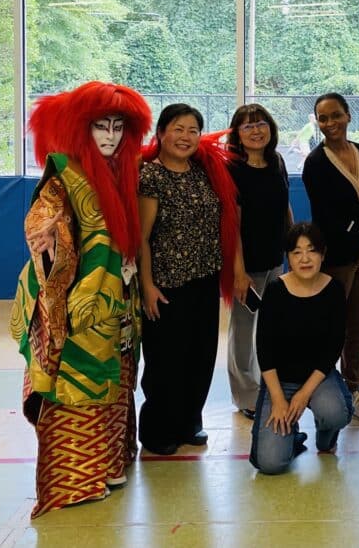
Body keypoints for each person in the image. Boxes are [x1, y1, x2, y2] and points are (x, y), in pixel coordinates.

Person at [9, 81, 152, 517]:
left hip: (117, 303)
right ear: (80, 131)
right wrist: (49, 238)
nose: (110, 137)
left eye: (117, 128)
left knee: (118, 382)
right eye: (100, 128)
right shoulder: (65, 175)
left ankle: (109, 462)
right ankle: (76, 478)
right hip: (79, 306)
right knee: (80, 386)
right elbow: (41, 220)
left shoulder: (121, 173)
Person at [137, 104, 239, 455]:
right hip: (167, 284)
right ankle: (158, 428)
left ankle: (189, 420)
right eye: (178, 129)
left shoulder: (203, 172)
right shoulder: (150, 175)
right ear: (161, 133)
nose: (186, 136)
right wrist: (147, 286)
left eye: (193, 130)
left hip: (204, 279)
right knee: (166, 360)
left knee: (199, 355)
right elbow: (142, 238)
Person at [302, 93, 359, 421]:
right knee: (332, 325)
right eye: (323, 118)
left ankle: (353, 387)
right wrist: (356, 243)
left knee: (358, 323)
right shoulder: (315, 163)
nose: (330, 123)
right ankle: (326, 390)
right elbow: (327, 216)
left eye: (336, 115)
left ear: (349, 116)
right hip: (337, 257)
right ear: (317, 123)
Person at [250, 222, 353, 474]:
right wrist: (278, 399)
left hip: (317, 378)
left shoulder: (334, 291)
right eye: (296, 252)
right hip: (279, 382)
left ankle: (326, 435)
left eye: (311, 250)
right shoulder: (275, 291)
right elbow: (264, 349)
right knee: (270, 464)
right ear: (288, 257)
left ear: (322, 254)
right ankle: (292, 439)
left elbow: (332, 348)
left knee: (335, 413)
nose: (305, 258)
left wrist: (304, 394)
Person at [225, 104, 293, 420]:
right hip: (246, 265)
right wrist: (238, 271)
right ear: (237, 134)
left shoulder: (276, 162)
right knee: (242, 329)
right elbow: (232, 223)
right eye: (248, 126)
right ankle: (245, 394)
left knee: (270, 327)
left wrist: (293, 247)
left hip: (273, 259)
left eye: (261, 123)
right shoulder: (233, 169)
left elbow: (284, 208)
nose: (256, 130)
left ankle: (267, 383)